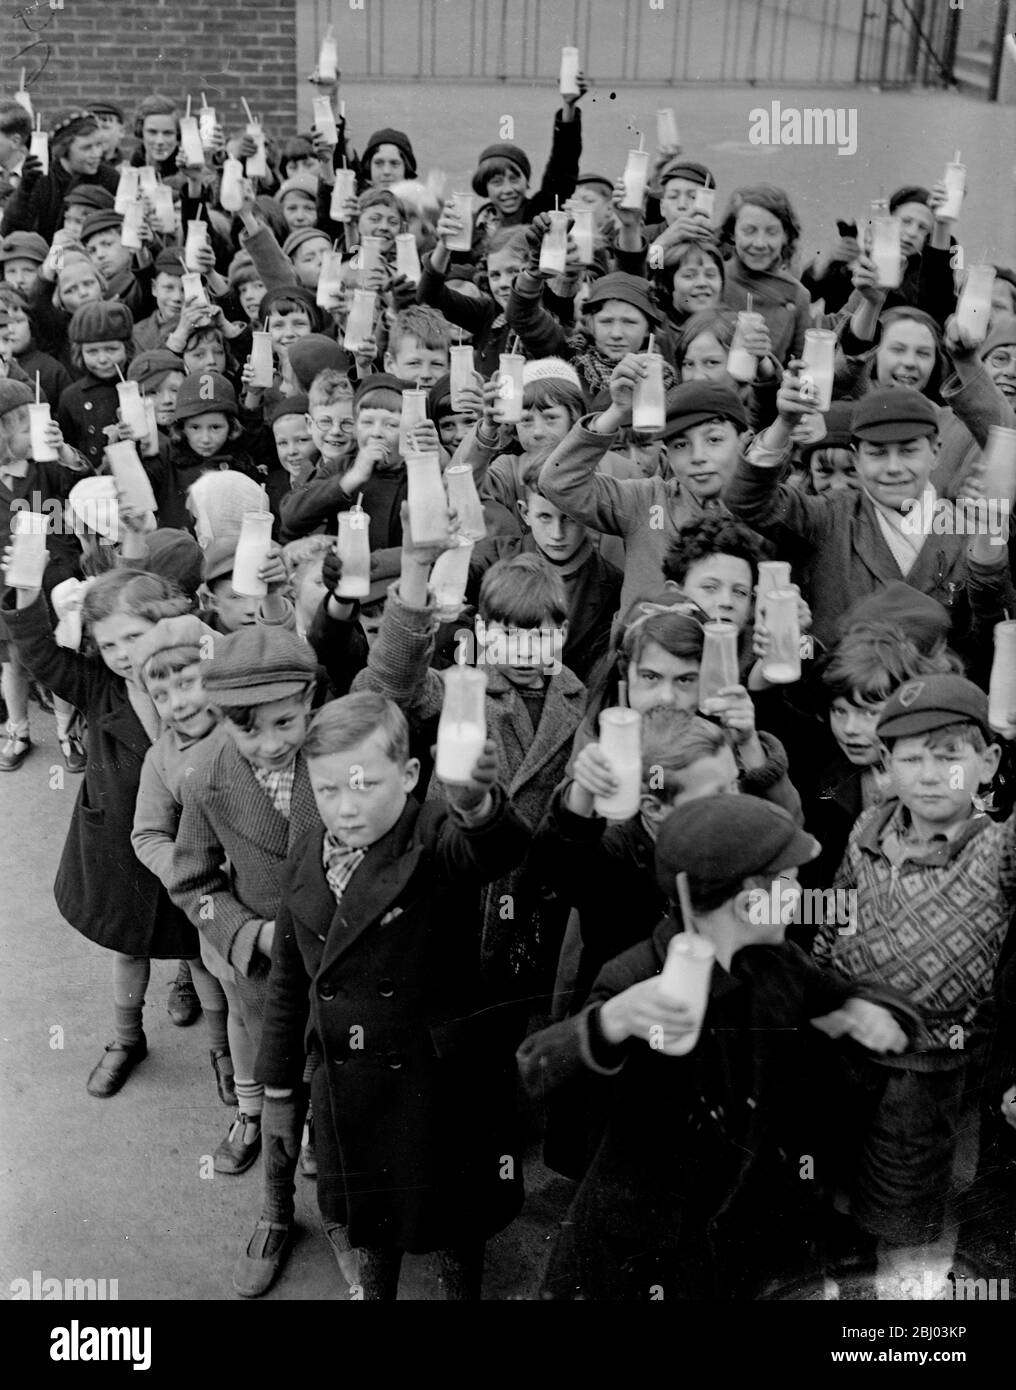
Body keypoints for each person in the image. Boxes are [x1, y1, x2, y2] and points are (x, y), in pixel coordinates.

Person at [518, 793, 915, 1300]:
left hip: (746, 1232)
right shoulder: (639, 976)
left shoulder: (781, 963)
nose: (801, 895)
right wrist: (608, 1023)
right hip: (645, 1249)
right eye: (791, 882)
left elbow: (841, 996)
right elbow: (536, 1072)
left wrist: (870, 1009)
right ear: (752, 900)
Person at [248, 692, 530, 1299]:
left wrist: (476, 804)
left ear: (409, 776)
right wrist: (277, 1084)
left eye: (364, 785)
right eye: (328, 791)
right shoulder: (309, 849)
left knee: (454, 1219)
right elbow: (292, 978)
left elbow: (490, 849)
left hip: (437, 1087)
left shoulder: (432, 836)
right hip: (353, 1090)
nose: (345, 809)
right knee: (372, 1216)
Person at [814, 674, 1016, 1299]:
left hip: (930, 1069)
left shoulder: (997, 849)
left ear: (987, 764)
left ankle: (910, 1328)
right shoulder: (868, 828)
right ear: (887, 763)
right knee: (835, 1195)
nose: (929, 774)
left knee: (913, 1214)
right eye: (910, 757)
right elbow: (833, 919)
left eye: (949, 756)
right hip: (844, 1052)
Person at [1, 568, 205, 1095]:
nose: (120, 653)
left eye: (133, 637)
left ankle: (224, 1053)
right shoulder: (99, 686)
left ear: (168, 624)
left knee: (202, 950)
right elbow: (42, 656)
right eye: (107, 643)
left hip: (190, 845)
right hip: (120, 848)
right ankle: (126, 1037)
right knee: (129, 945)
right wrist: (26, 596)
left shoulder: (196, 676)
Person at [168, 626, 324, 1178]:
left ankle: (318, 1132)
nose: (271, 743)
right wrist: (244, 934)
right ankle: (275, 1127)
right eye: (248, 729)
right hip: (267, 968)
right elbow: (192, 884)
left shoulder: (338, 761)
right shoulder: (207, 780)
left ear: (310, 701)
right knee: (279, 1057)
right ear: (221, 717)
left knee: (335, 1063)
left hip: (343, 954)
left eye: (286, 721)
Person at [539, 371, 748, 612]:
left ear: (743, 440)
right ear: (666, 451)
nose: (698, 457)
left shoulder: (770, 510)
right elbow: (558, 481)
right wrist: (616, 412)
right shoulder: (646, 501)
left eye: (714, 440)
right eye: (681, 445)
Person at [0, 379, 90, 772]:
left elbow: (83, 483)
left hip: (53, 576)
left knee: (58, 651)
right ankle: (17, 730)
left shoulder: (46, 468)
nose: (32, 432)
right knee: (14, 661)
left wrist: (64, 452)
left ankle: (66, 732)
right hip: (5, 585)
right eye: (20, 427)